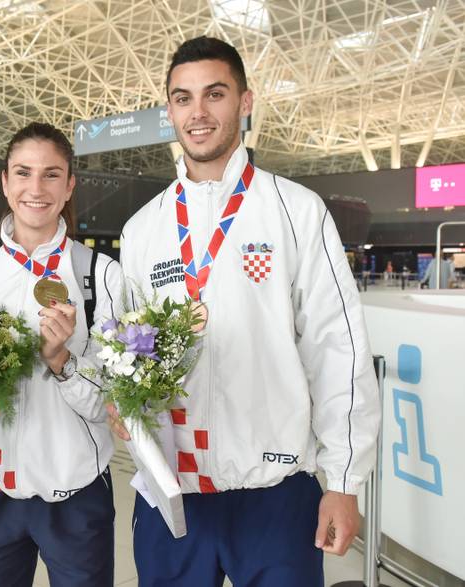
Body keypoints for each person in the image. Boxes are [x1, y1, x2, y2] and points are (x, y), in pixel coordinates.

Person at [116, 37, 380, 586]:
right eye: (183, 98)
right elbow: (127, 350)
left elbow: (339, 348)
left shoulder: (296, 210)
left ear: (245, 101)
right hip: (174, 497)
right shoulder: (143, 229)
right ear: (169, 111)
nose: (199, 112)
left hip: (275, 495)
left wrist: (344, 480)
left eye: (215, 94)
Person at [0, 122, 125, 587]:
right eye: (23, 173)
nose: (35, 188)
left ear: (69, 187)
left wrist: (62, 360)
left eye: (51, 175)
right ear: (5, 182)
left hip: (77, 489)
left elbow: (112, 402)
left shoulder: (98, 276)